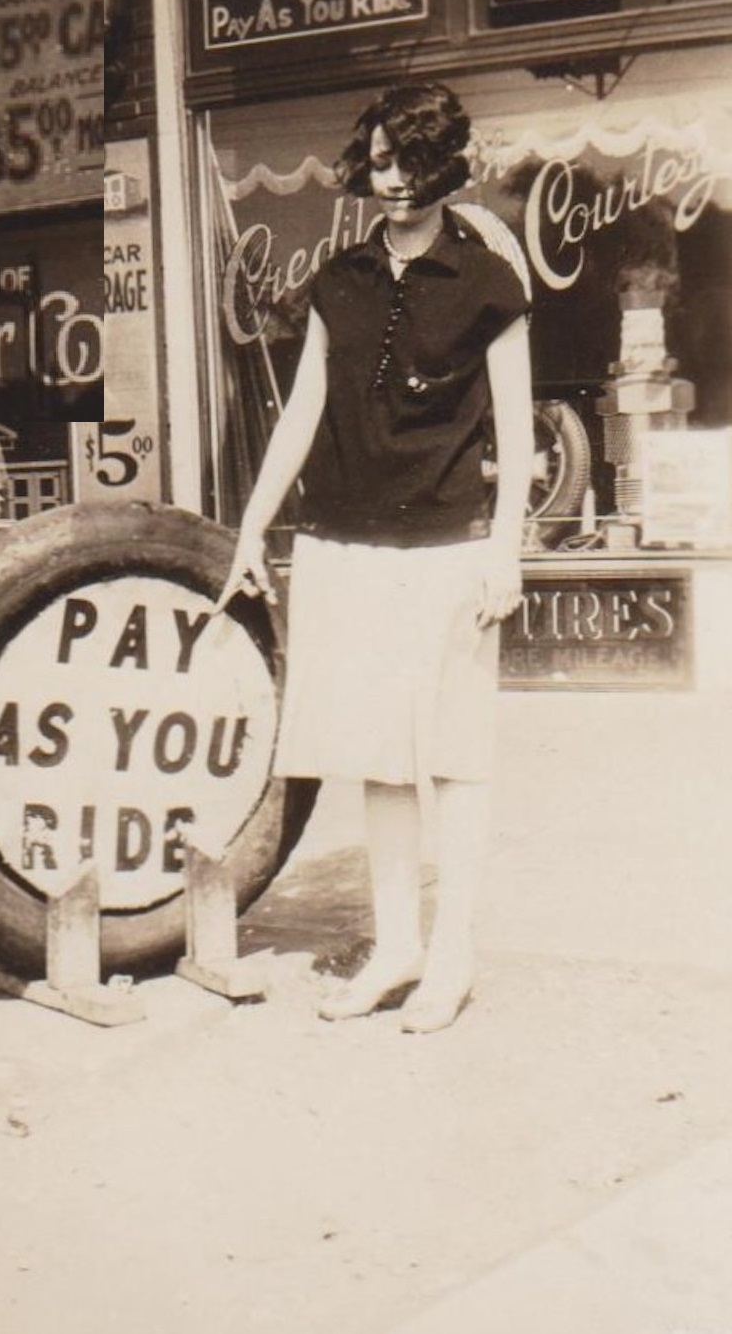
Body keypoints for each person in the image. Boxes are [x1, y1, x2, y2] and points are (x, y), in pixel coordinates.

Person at [214, 81, 534, 1033]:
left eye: (416, 164)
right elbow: (302, 411)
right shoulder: (340, 280)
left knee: (454, 761)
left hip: (447, 550)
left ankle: (454, 954)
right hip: (342, 547)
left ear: (447, 168)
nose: (395, 181)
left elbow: (517, 436)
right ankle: (396, 946)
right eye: (383, 160)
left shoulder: (489, 284)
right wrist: (248, 532)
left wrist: (506, 551)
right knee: (377, 760)